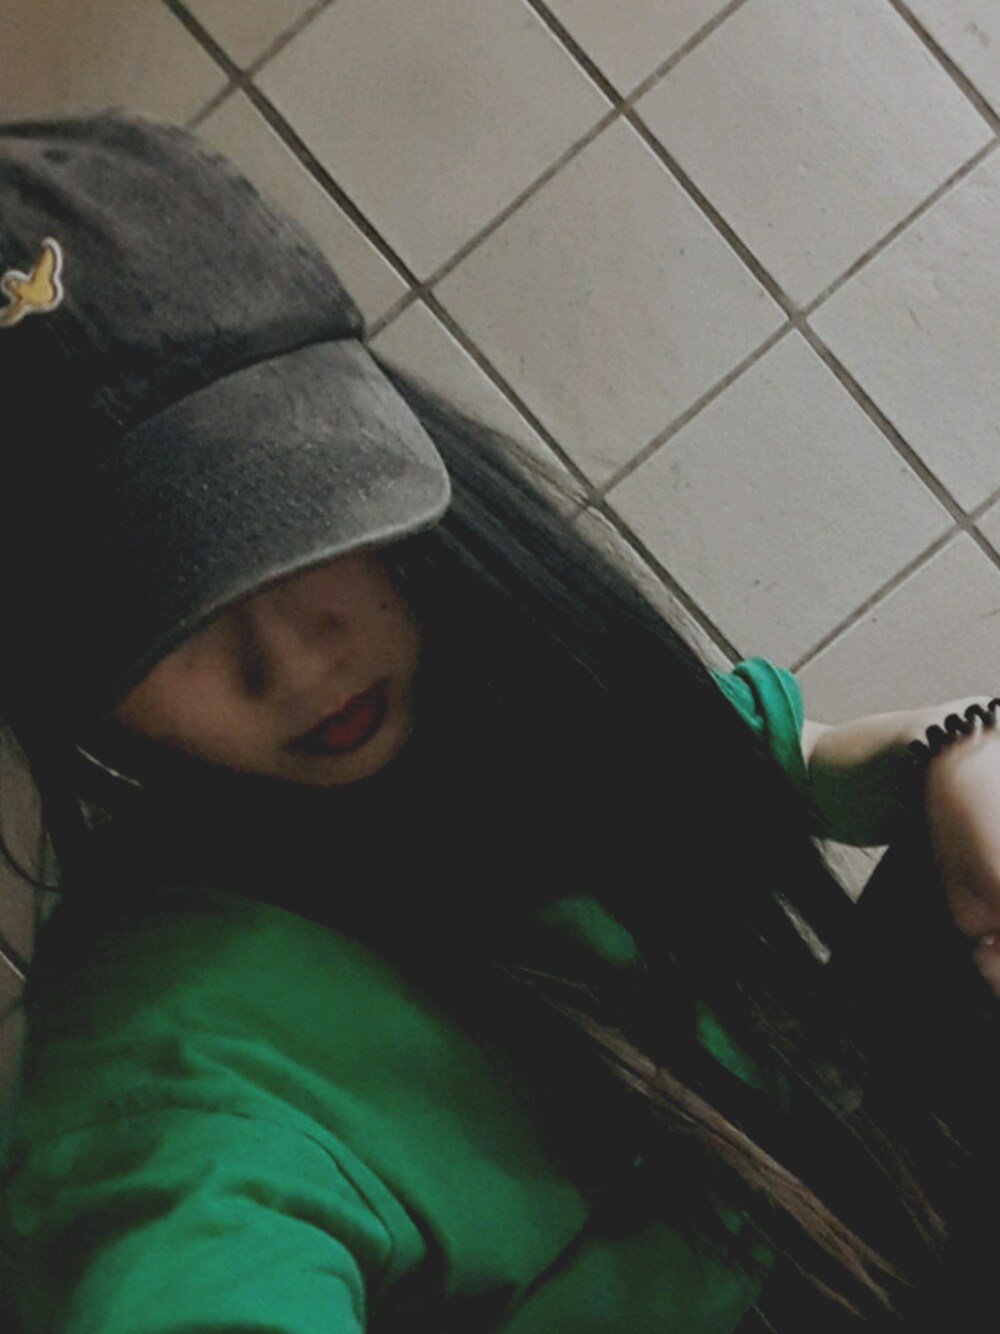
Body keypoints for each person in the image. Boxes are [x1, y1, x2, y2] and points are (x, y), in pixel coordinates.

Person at [1, 113, 999, 1334]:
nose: (289, 657)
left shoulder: (508, 705)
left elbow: (748, 758)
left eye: (288, 511)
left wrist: (958, 749)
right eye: (148, 613)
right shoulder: (162, 1070)